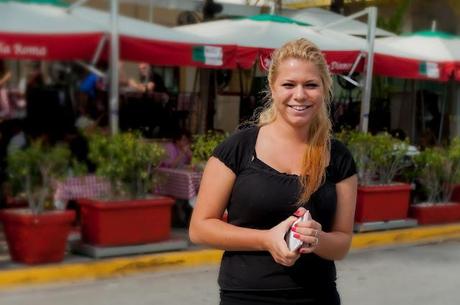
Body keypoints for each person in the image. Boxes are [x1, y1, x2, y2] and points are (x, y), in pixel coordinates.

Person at [189, 38, 358, 305]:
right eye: (289, 84)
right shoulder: (238, 148)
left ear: (325, 88)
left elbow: (342, 242)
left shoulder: (339, 157)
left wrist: (316, 239)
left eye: (311, 85)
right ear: (272, 87)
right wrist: (266, 239)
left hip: (318, 296)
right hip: (246, 297)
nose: (300, 95)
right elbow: (200, 228)